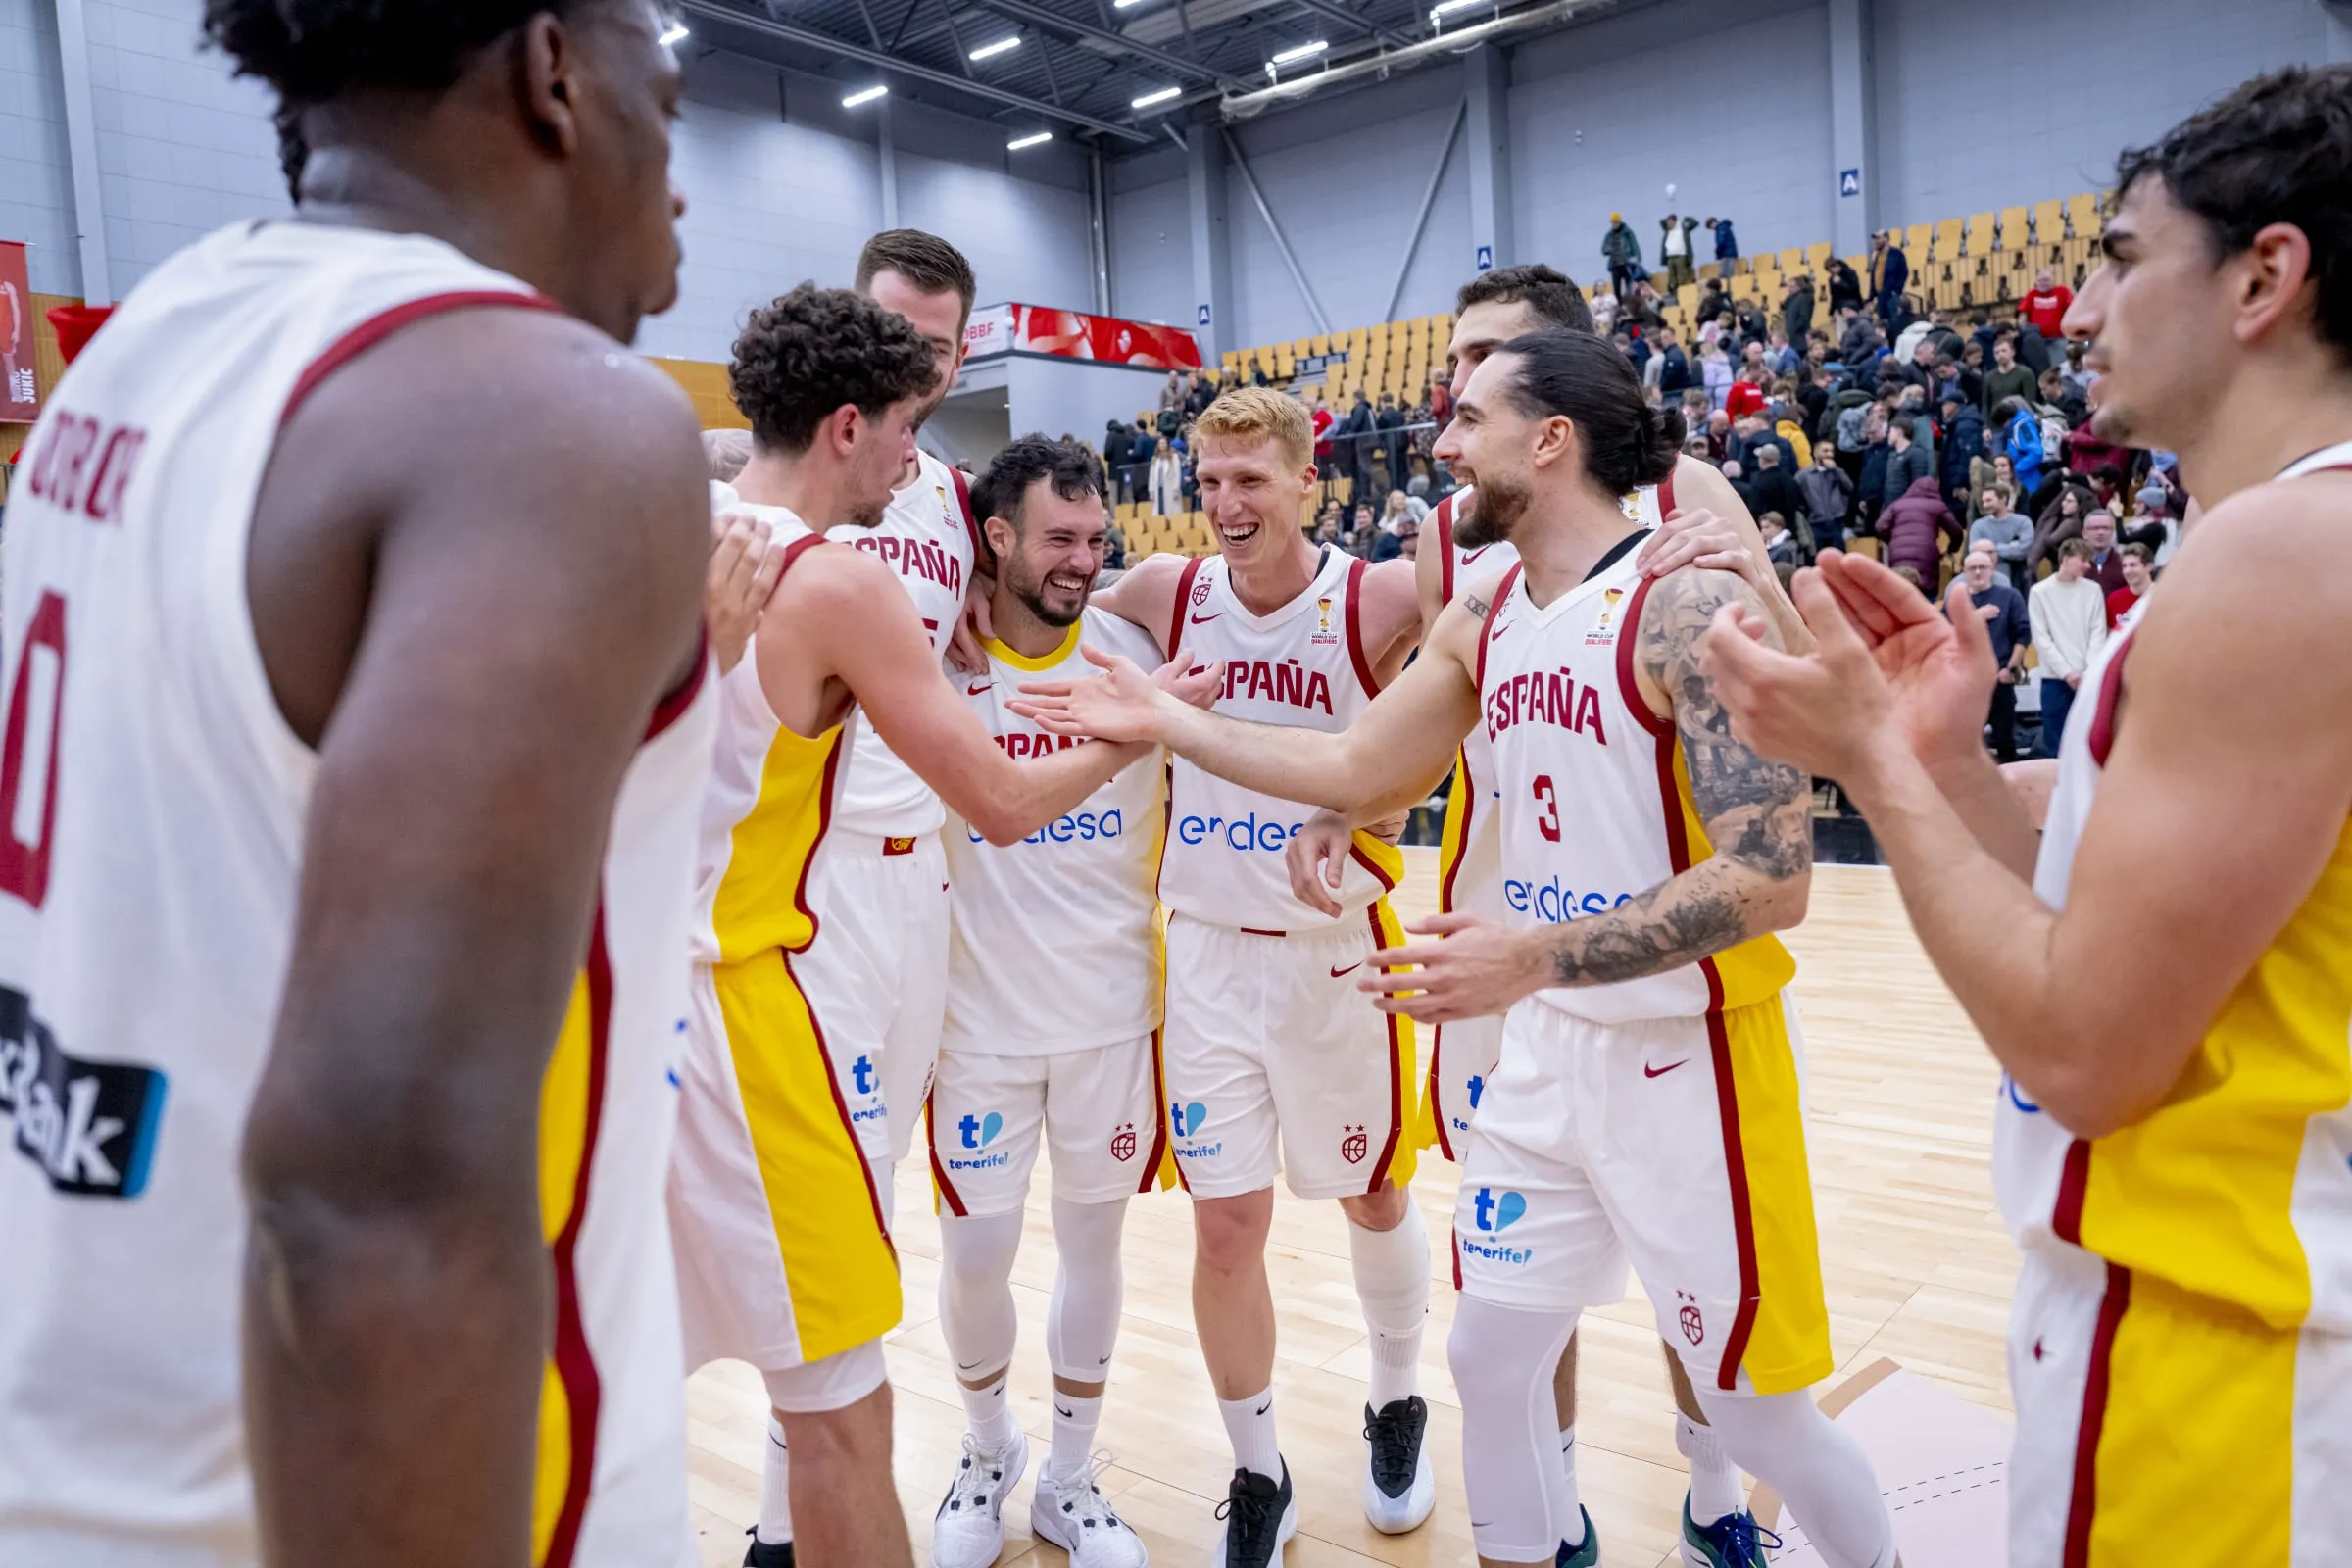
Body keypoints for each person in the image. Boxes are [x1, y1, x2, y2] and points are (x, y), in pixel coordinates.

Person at [0, 1, 719, 1562]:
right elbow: (378, 1193)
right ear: (552, 71)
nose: (678, 180)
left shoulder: (145, 348)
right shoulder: (551, 425)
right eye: (667, 100)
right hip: (357, 1503)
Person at [1012, 328, 1894, 1568]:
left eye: (1469, 419)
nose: (1440, 444)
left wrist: (1531, 958)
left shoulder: (1687, 600)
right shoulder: (1488, 609)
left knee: (1757, 1411)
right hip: (1542, 1051)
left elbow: (1773, 878)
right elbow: (1356, 763)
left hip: (1686, 1055)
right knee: (1488, 1357)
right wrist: (1165, 717)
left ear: (1552, 438)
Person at [1702, 64, 2352, 1560]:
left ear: (2264, 277)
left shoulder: (2279, 557)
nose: (2080, 308)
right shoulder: (2279, 541)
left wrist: (1867, 764)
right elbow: (2126, 901)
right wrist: (1938, 760)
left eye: (2121, 259)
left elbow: (2084, 1052)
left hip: (2225, 1358)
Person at [678, 287, 1200, 1568]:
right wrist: (1136, 726)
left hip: (630, 999)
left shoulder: (673, 534)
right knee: (845, 1409)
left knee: (627, 1371)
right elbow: (1005, 803)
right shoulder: (836, 581)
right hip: (752, 995)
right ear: (848, 426)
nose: (922, 465)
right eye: (909, 429)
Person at [1017, 387, 1430, 1565]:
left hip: (1335, 957)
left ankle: (1396, 1397)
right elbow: (1032, 602)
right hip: (1201, 955)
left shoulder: (1376, 595)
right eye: (1208, 481)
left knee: (1373, 1194)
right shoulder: (1169, 590)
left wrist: (1375, 801)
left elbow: (1482, 647)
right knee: (1225, 1230)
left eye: (1251, 479)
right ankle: (1260, 1470)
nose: (1226, 503)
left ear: (1309, 480)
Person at [925, 437, 1168, 1568]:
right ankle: (989, 1449)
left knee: (1093, 1246)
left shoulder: (1135, 650)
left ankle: (1070, 1477)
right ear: (996, 538)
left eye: (1095, 537)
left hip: (1112, 1015)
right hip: (973, 1023)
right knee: (975, 1255)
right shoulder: (934, 654)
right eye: (1058, 538)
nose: (1082, 559)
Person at [2025, 537, 2106, 756]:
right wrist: (2066, 673)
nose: (2088, 566)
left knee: (2087, 745)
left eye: (2089, 561)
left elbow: (2098, 633)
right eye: (2083, 560)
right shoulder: (2040, 592)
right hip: (2055, 679)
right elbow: (2041, 638)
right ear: (2066, 559)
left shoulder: (2093, 590)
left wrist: (2088, 672)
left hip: (2087, 679)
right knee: (2056, 746)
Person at [1955, 546, 2033, 761]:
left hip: (2000, 678)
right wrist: (1975, 617)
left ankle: (2010, 781)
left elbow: (2023, 635)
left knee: (2005, 741)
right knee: (1967, 744)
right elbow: (1946, 634)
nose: (1977, 572)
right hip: (1967, 682)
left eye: (1982, 567)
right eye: (1972, 568)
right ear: (1964, 572)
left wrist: (2011, 668)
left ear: (1992, 569)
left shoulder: (2010, 596)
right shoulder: (1957, 601)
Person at [1878, 471, 1958, 585]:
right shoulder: (1937, 506)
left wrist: (1893, 540)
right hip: (1926, 556)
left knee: (1899, 587)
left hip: (1898, 556)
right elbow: (1956, 532)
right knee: (1925, 589)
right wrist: (1951, 549)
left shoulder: (1897, 504)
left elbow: (1880, 527)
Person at [1968, 483, 2034, 590]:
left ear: (2003, 499)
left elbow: (2025, 549)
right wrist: (2011, 546)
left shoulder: (2023, 522)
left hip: (2019, 579)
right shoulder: (1978, 526)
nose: (1985, 505)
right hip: (1989, 582)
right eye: (1983, 501)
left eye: (1989, 500)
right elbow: (1974, 552)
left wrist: (1990, 549)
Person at [1798, 441, 1855, 552]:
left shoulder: (1837, 472)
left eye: (1831, 451)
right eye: (1825, 451)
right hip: (1815, 523)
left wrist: (1836, 470)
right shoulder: (1804, 475)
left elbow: (1849, 488)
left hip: (1836, 521)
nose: (1829, 454)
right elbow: (1798, 496)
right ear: (1815, 453)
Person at [1981, 337, 2037, 416]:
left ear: (2013, 352)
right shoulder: (1989, 377)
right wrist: (1986, 423)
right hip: (1996, 421)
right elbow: (1985, 405)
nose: (2000, 354)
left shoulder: (2025, 373)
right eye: (1997, 352)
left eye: (2004, 351)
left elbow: (2030, 402)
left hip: (2018, 419)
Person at [2105, 539, 2153, 626]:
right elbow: (2111, 632)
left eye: (2133, 565)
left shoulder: (2165, 597)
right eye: (2124, 566)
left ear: (2149, 567)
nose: (2127, 571)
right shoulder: (2115, 599)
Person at [1869, 230, 1908, 324]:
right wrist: (1871, 296)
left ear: (1886, 238)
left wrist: (1896, 290)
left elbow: (1904, 272)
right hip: (1880, 296)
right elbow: (1874, 276)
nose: (1875, 241)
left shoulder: (1896, 254)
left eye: (1878, 238)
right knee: (1882, 323)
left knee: (1894, 322)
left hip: (1891, 295)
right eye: (1875, 239)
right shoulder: (1876, 256)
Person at [1602, 213, 1642, 299]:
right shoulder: (1609, 235)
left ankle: (1631, 304)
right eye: (1612, 222)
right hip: (1615, 265)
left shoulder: (1628, 233)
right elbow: (1604, 250)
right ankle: (1620, 304)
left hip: (1627, 264)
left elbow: (1634, 246)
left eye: (1616, 222)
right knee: (1617, 290)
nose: (1614, 224)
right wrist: (1611, 249)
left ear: (1619, 222)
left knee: (1630, 287)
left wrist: (1637, 259)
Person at [1149, 435, 1184, 515]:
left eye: (1164, 443)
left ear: (1167, 444)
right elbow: (1152, 476)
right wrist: (1151, 491)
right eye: (1160, 443)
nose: (1162, 445)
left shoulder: (1174, 457)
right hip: (1158, 489)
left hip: (1171, 489)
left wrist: (1176, 489)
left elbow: (1177, 474)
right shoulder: (1155, 458)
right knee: (1159, 511)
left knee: (1172, 512)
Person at [1662, 212, 1694, 291]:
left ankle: (1682, 292)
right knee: (1672, 277)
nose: (1669, 224)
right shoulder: (1667, 230)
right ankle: (1674, 291)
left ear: (1675, 222)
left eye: (1671, 222)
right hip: (1670, 256)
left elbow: (1695, 223)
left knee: (1681, 276)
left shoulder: (1683, 228)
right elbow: (1661, 222)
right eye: (1668, 222)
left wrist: (1685, 218)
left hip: (1680, 255)